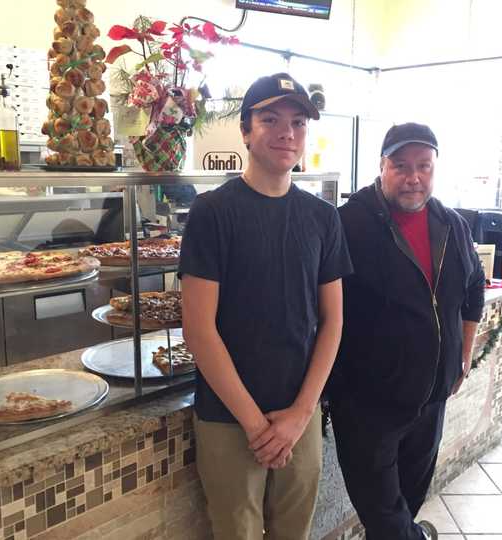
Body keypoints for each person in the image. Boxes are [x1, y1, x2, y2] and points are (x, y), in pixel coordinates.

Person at [179, 72, 353, 540]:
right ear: (245, 130)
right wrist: (256, 425)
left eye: (298, 122)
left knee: (293, 532)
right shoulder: (212, 212)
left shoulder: (322, 217)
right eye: (271, 119)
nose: (286, 132)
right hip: (229, 416)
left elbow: (333, 320)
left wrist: (301, 413)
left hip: (301, 412)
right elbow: (199, 330)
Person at [328, 122, 485, 540]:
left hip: (432, 398)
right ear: (382, 166)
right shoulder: (347, 224)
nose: (414, 177)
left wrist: (463, 356)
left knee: (408, 503)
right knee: (385, 517)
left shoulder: (451, 224)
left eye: (424, 166)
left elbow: (473, 288)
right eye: (401, 165)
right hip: (368, 404)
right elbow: (322, 311)